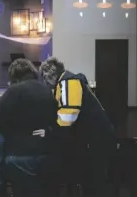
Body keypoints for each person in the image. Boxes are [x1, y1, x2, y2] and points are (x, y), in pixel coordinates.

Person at [0, 59, 58, 197]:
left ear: (14, 75)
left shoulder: (15, 91)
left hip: (21, 155)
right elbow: (55, 119)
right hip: (46, 153)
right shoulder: (46, 90)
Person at [39, 57, 115, 197]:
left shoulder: (67, 82)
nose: (44, 81)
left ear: (49, 74)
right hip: (96, 137)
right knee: (92, 179)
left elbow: (68, 116)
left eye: (44, 77)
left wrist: (50, 132)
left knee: (94, 182)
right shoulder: (66, 81)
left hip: (96, 139)